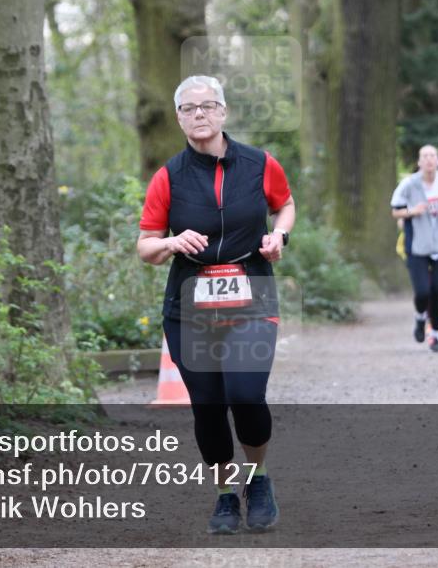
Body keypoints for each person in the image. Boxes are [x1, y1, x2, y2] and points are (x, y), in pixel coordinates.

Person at [137, 75, 295, 534]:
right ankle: (225, 494)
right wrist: (170, 241)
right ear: (179, 118)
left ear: (223, 111)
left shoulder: (260, 164)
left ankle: (258, 479)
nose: (199, 114)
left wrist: (278, 236)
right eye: (188, 108)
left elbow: (285, 205)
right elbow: (145, 247)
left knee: (245, 396)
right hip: (189, 307)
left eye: (207, 106)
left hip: (252, 295)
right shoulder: (169, 176)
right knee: (207, 406)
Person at [390, 146, 438, 352]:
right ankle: (419, 317)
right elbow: (395, 211)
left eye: (432, 156)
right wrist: (412, 211)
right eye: (425, 156)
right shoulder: (409, 184)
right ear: (419, 162)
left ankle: (434, 334)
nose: (429, 160)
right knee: (423, 291)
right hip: (417, 245)